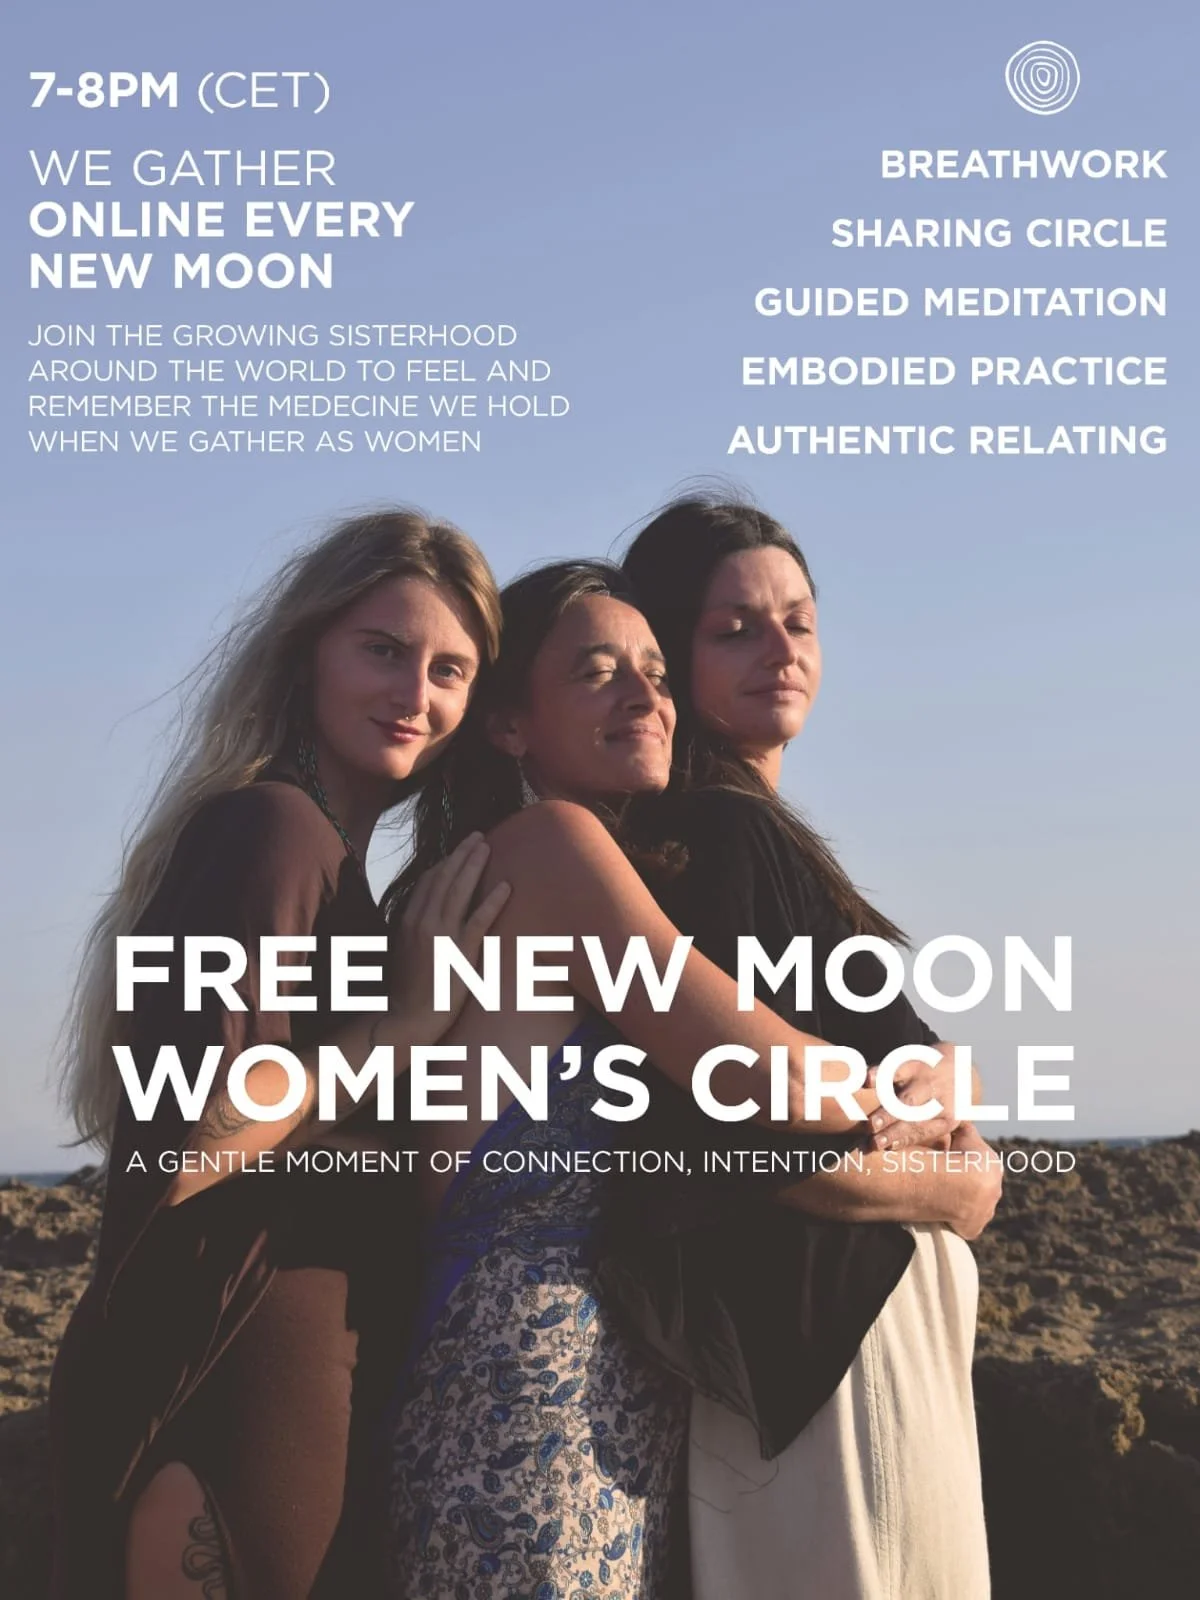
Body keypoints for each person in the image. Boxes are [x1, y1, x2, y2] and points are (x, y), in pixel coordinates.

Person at [383, 560, 961, 1599]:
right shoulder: (551, 849)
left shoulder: (539, 862)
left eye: (653, 672)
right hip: (523, 1392)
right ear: (510, 724)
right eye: (598, 673)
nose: (644, 698)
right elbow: (767, 1074)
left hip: (597, 1396)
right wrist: (913, 1115)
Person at [49, 509, 510, 1600]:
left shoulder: (337, 864)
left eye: (451, 670)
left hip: (286, 1362)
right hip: (227, 1363)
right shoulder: (276, 831)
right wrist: (402, 1024)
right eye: (384, 651)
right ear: (308, 652)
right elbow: (196, 1132)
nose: (417, 694)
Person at [609, 493, 997, 1599]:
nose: (780, 649)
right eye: (733, 628)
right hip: (833, 1352)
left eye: (799, 620)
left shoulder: (759, 833)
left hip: (851, 1339)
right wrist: (948, 1193)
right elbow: (716, 1145)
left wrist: (951, 1093)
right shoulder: (719, 837)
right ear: (668, 655)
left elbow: (916, 1050)